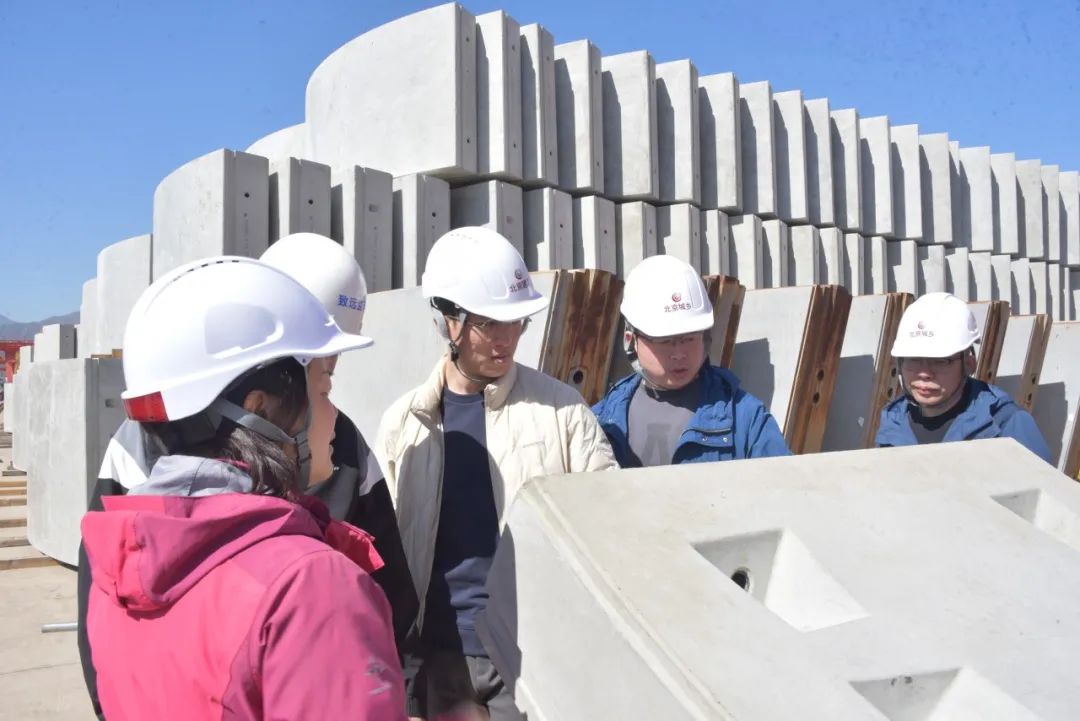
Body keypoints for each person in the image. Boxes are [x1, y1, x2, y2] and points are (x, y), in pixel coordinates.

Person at [78, 235, 419, 718]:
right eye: (322, 382)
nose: (333, 413)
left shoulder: (116, 564)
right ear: (259, 405)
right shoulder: (312, 588)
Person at [376, 226, 618, 720]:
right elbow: (386, 555)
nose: (507, 339)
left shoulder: (562, 411)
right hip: (440, 659)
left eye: (517, 322)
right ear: (448, 321)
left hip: (534, 658)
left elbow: (610, 526)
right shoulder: (406, 424)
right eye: (490, 323)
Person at [592, 254, 790, 466]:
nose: (679, 353)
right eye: (665, 341)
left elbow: (782, 483)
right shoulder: (601, 421)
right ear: (631, 340)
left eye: (689, 338)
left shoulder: (745, 417)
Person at [875, 292, 1052, 461]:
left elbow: (1041, 482)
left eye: (940, 361)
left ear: (969, 364)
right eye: (913, 360)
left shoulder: (1004, 423)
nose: (924, 373)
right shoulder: (893, 422)